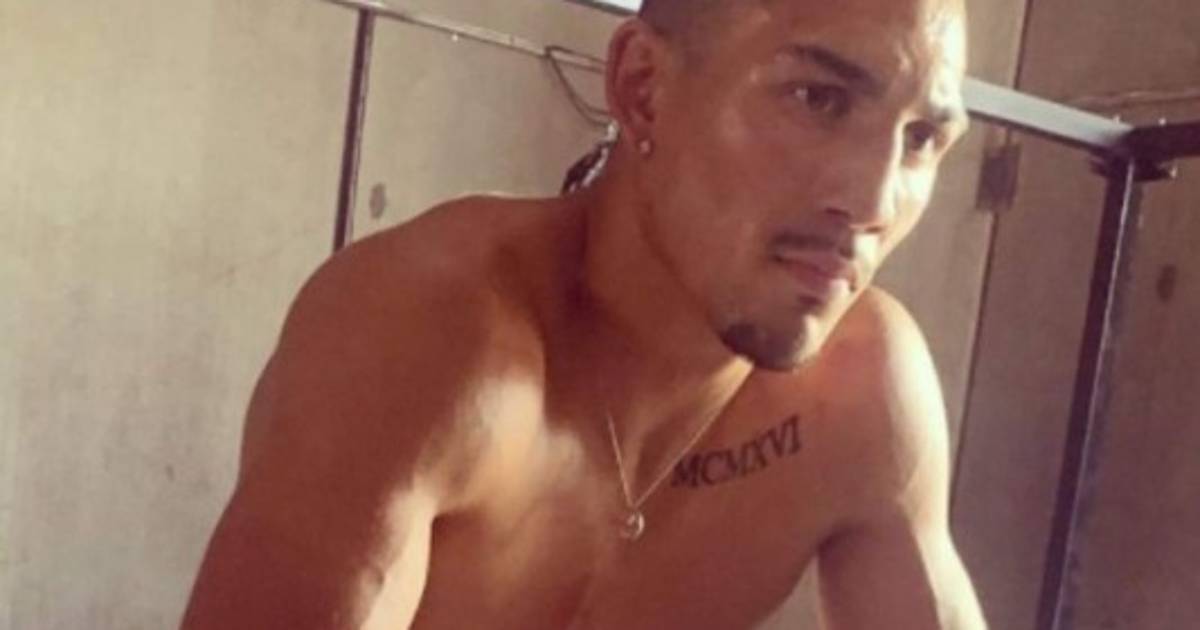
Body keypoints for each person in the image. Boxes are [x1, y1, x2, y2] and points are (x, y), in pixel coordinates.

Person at [182, 0, 986, 627]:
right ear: (644, 88)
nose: (874, 201)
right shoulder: (426, 335)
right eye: (818, 99)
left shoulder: (862, 392)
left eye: (921, 139)